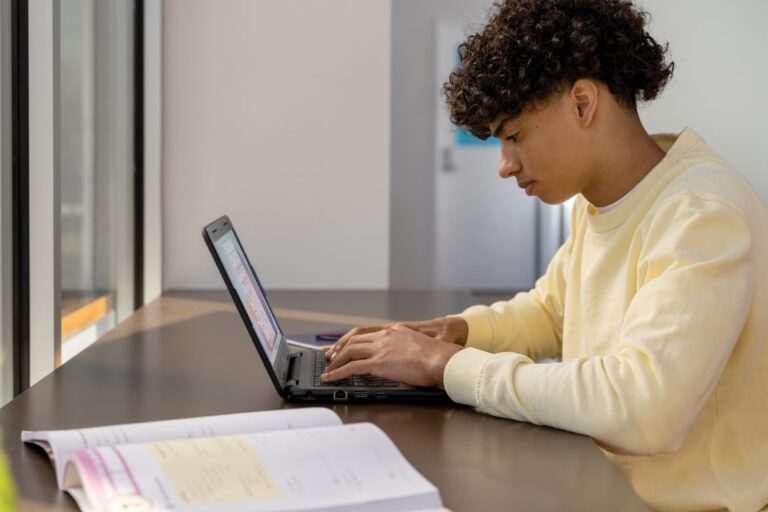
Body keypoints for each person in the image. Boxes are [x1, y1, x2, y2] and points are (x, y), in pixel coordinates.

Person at [321, 0, 768, 510]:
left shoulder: (701, 213)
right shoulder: (605, 198)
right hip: (603, 483)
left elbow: (643, 408)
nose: (505, 166)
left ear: (582, 103)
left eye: (513, 136)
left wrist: (449, 366)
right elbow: (555, 312)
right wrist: (453, 333)